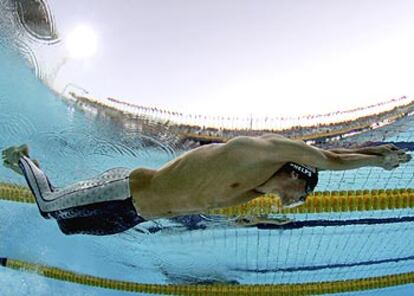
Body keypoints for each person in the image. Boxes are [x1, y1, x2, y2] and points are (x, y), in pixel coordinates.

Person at [2, 134, 411, 235]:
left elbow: (206, 209)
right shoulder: (258, 152)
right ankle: (21, 157)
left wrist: (252, 221)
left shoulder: (250, 191)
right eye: (296, 198)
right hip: (128, 188)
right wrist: (379, 160)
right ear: (295, 174)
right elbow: (332, 158)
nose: (291, 203)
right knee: (50, 206)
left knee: (67, 226)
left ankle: (34, 168)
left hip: (134, 214)